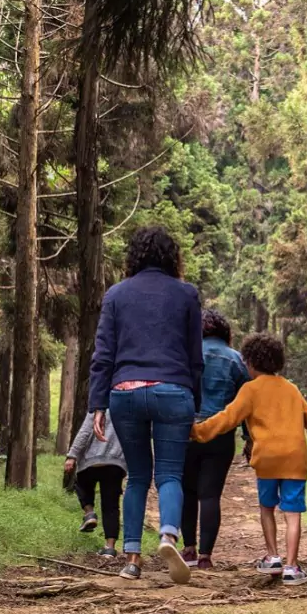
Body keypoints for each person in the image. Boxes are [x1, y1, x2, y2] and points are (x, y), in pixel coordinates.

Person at [88, 226, 203, 583]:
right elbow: (195, 357)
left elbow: (103, 354)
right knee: (169, 473)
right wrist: (193, 404)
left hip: (125, 392)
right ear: (173, 257)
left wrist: (98, 404)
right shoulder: (187, 294)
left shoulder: (116, 295)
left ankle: (132, 559)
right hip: (173, 390)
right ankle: (169, 534)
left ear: (134, 256)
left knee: (137, 476)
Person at [191, 333, 307, 586]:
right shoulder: (291, 388)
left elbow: (227, 418)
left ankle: (273, 556)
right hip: (294, 459)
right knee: (293, 513)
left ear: (251, 362)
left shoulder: (250, 390)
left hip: (266, 459)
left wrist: (198, 431)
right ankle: (292, 567)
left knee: (267, 507)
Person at [181, 309, 251, 570]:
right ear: (225, 333)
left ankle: (188, 549)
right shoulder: (237, 360)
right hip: (221, 435)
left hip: (186, 431)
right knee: (210, 496)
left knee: (187, 492)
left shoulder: (187, 355)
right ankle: (206, 556)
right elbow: (246, 403)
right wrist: (249, 438)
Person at [65, 410, 127, 558]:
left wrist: (72, 456)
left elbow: (85, 432)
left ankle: (89, 512)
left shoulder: (97, 407)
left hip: (90, 462)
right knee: (111, 506)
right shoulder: (125, 410)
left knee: (82, 485)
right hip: (114, 463)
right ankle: (109, 547)